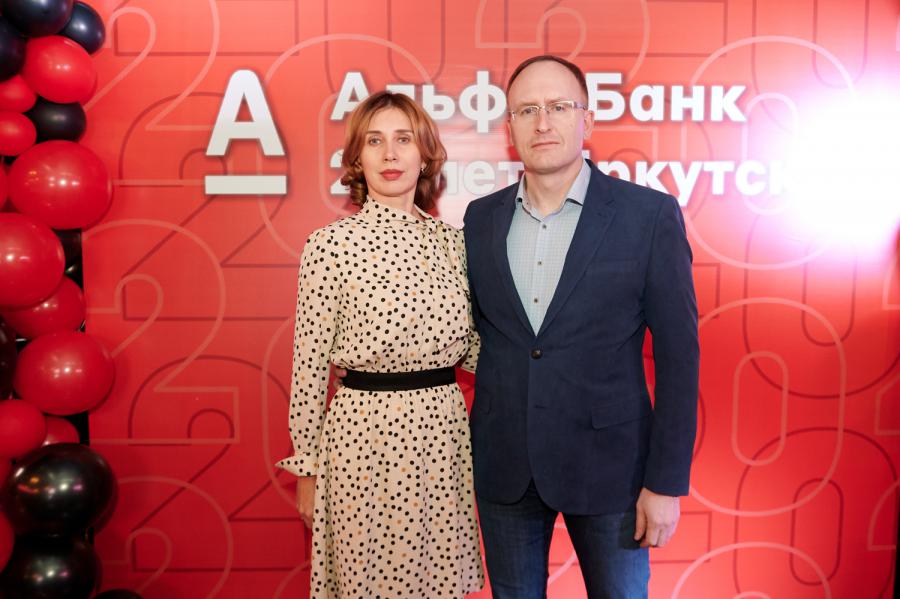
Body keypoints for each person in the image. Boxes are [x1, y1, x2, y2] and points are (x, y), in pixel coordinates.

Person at [462, 56, 699, 598]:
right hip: (506, 466)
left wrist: (665, 482)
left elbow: (680, 359)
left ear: (587, 120)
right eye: (527, 110)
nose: (543, 122)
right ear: (509, 128)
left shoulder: (648, 216)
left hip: (612, 469)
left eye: (559, 107)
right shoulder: (480, 218)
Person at [275, 91, 484, 599]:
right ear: (357, 158)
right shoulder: (330, 245)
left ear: (425, 155)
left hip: (441, 434)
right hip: (362, 436)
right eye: (374, 141)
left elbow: (478, 349)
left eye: (403, 139)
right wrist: (307, 468)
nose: (390, 154)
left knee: (436, 581)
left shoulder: (454, 244)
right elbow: (308, 367)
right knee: (367, 582)